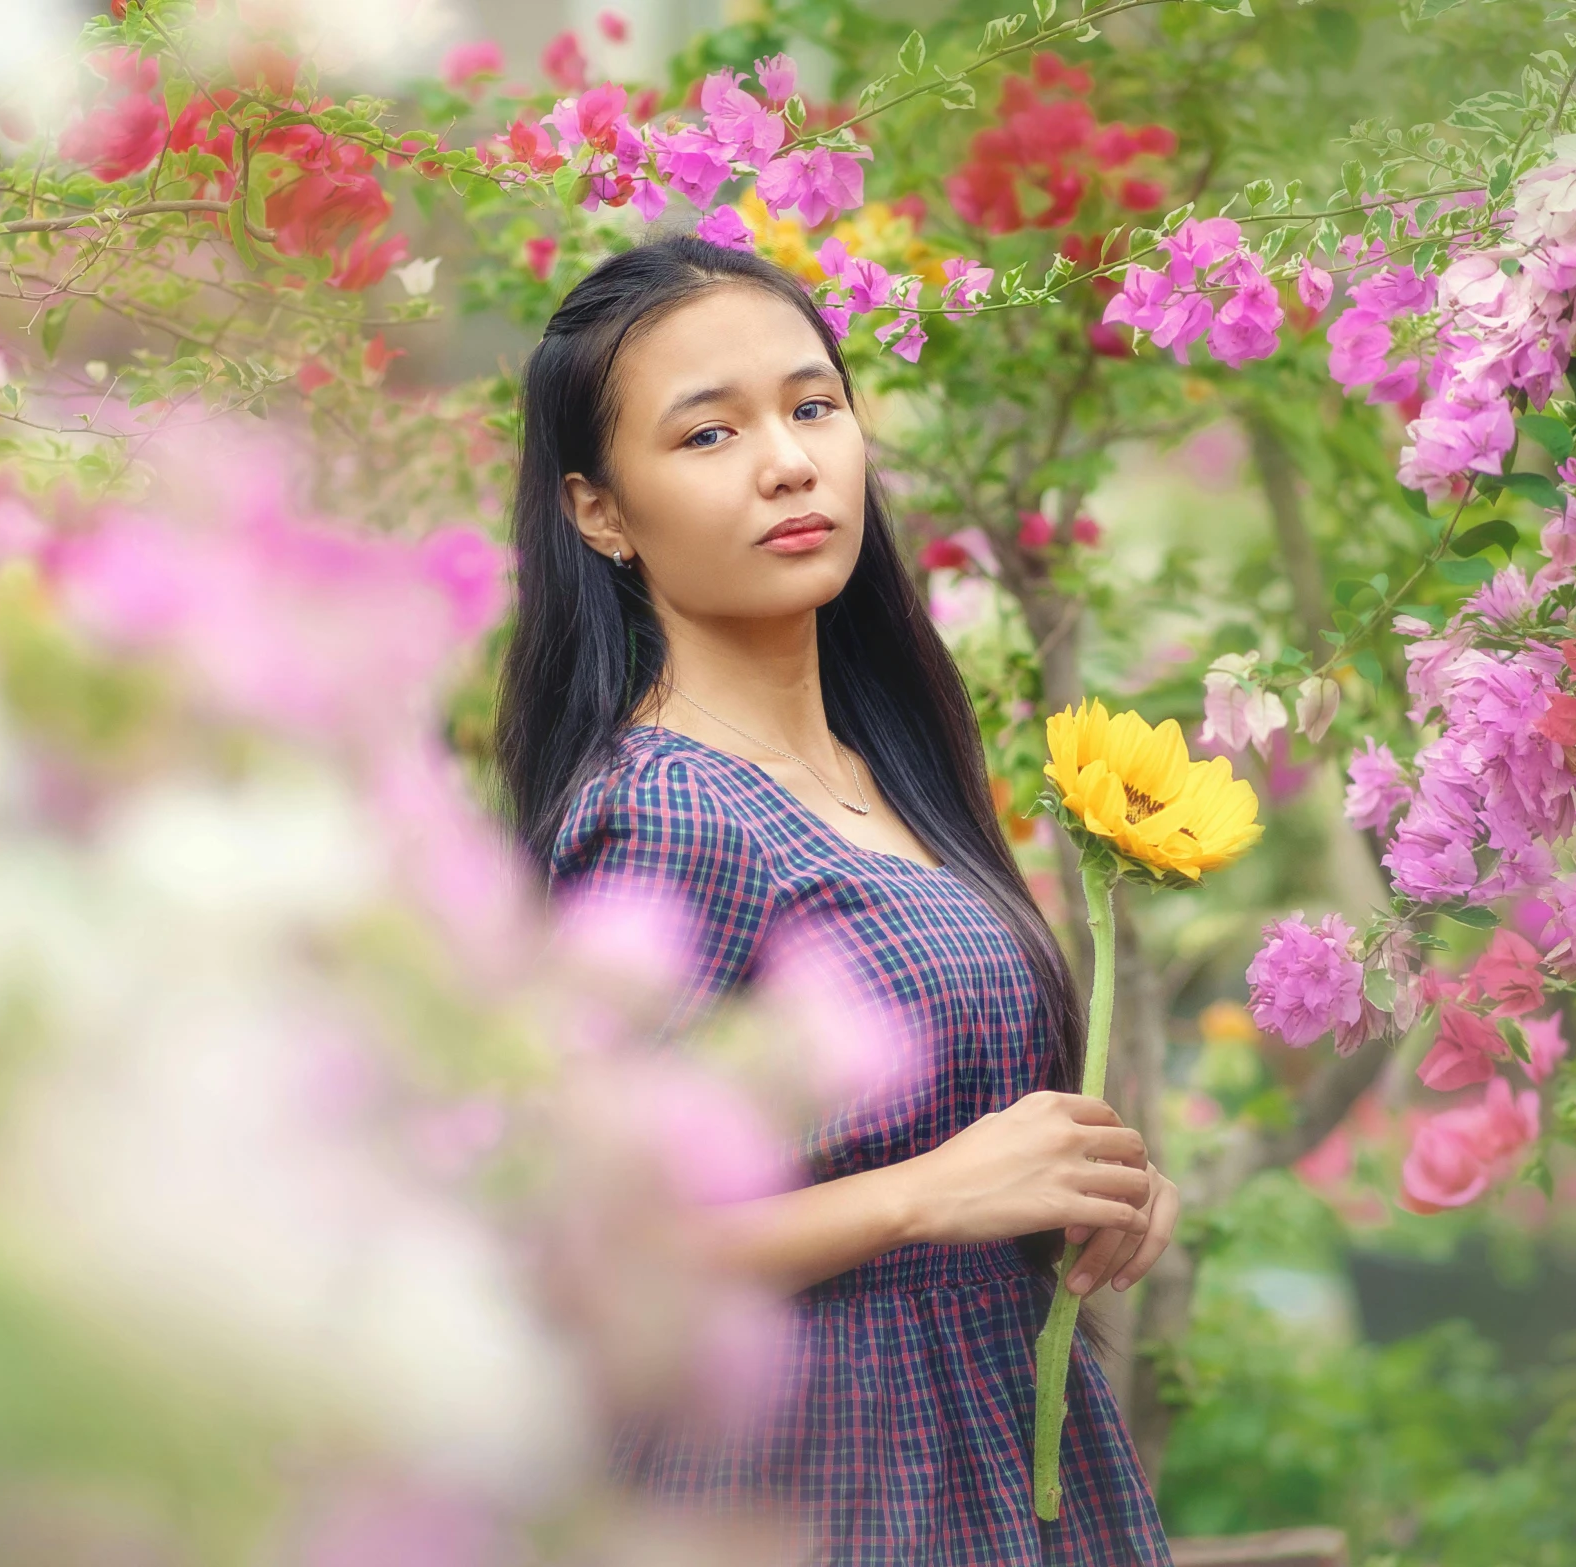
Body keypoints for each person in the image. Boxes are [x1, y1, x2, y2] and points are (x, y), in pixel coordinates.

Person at [496, 234, 1178, 1565]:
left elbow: (966, 1152)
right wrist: (927, 1194)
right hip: (812, 1485)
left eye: (813, 407)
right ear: (600, 511)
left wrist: (1084, 1190)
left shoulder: (893, 771)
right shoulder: (663, 809)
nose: (788, 461)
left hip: (991, 1457)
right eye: (708, 434)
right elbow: (578, 1248)